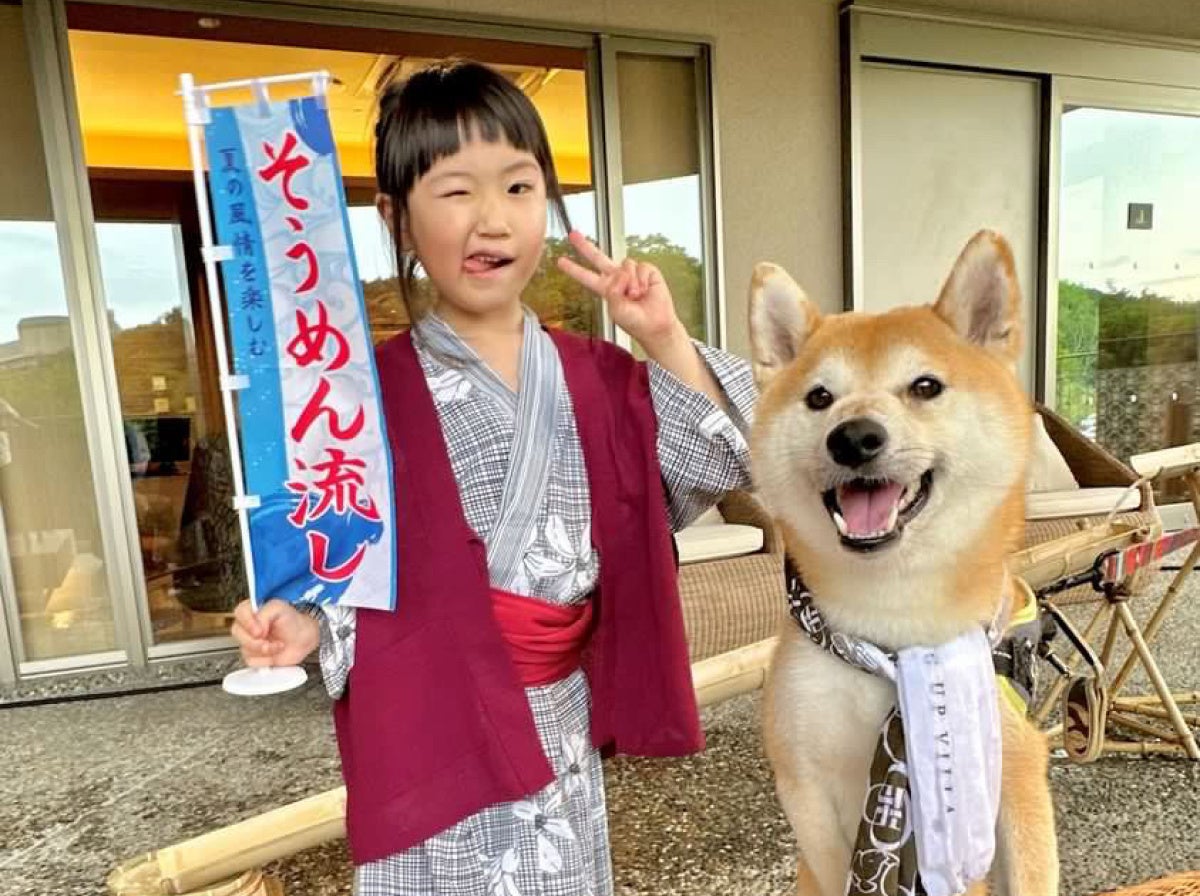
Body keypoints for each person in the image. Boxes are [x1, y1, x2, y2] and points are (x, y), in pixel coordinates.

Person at [231, 59, 756, 896]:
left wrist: (661, 336)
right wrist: (303, 624)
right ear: (397, 218)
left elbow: (720, 461)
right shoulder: (360, 398)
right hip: (432, 719)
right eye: (455, 192)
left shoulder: (603, 377)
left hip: (559, 720)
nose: (493, 221)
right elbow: (348, 560)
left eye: (518, 188)